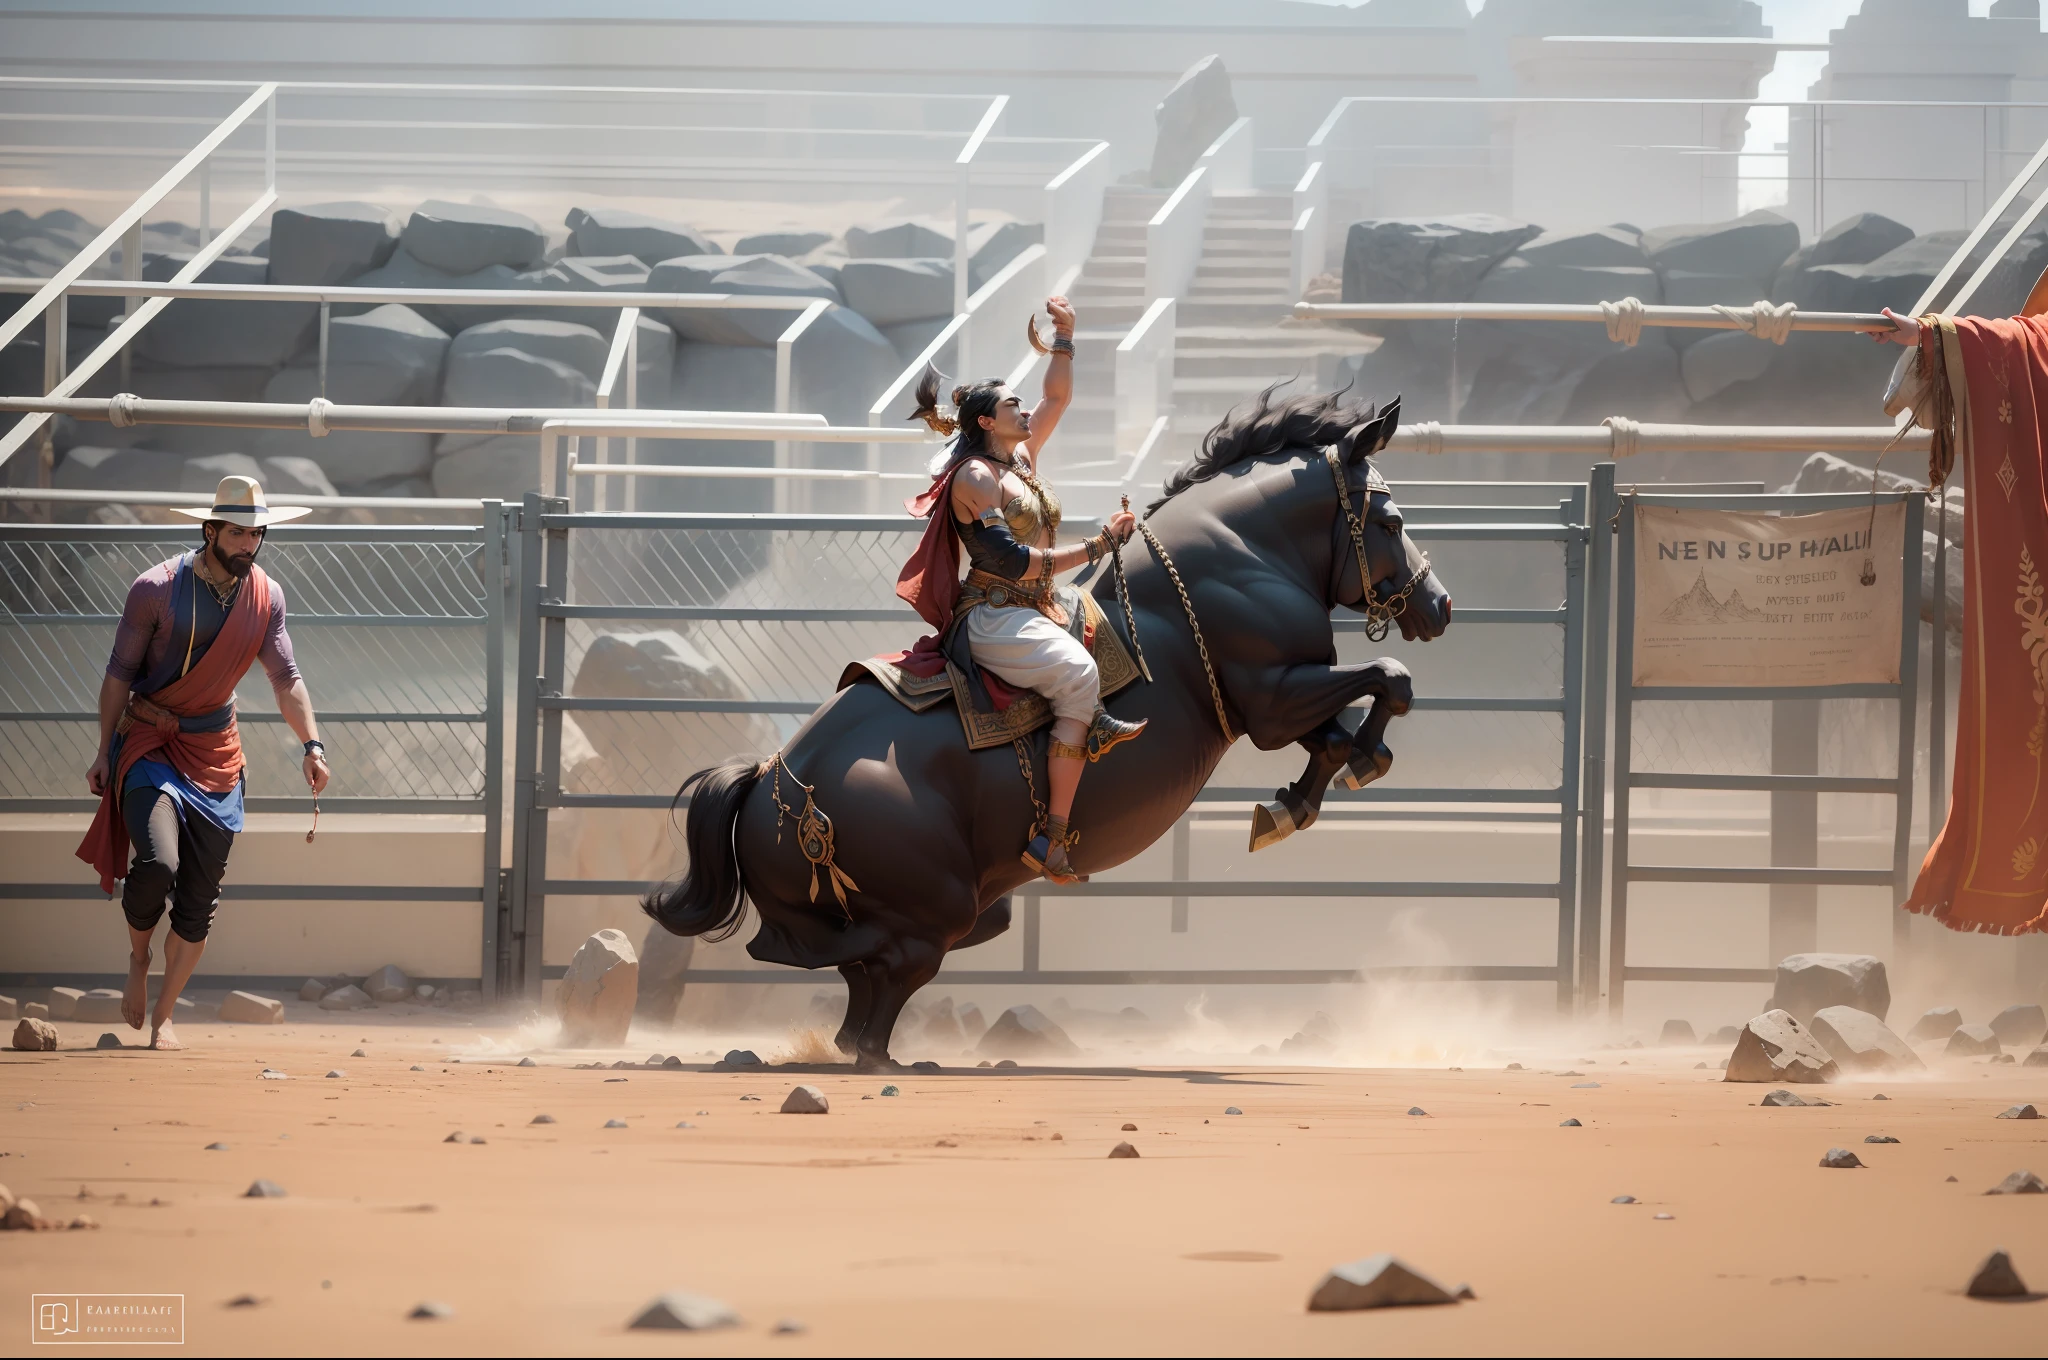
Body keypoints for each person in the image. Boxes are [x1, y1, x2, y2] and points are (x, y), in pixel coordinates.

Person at [894, 295, 1145, 884]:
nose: (1026, 408)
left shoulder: (1022, 460)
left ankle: (1090, 721)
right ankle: (1051, 838)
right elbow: (1008, 561)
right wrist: (1100, 547)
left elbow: (1058, 397)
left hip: (1042, 606)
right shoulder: (977, 477)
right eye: (1012, 404)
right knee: (1081, 674)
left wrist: (1066, 335)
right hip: (995, 614)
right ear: (986, 421)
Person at [75, 476, 330, 1049]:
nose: (249, 544)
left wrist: (313, 745)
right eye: (237, 532)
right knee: (157, 864)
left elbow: (286, 679)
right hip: (149, 742)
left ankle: (165, 1017)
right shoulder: (155, 589)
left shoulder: (267, 596)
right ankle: (139, 957)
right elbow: (118, 675)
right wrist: (100, 750)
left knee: (198, 904)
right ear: (209, 530)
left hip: (216, 754)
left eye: (257, 534)